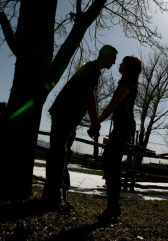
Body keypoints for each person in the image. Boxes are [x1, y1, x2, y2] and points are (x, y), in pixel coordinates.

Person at [43, 45, 118, 209]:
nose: (114, 62)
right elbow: (89, 95)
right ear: (105, 56)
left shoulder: (92, 69)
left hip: (69, 116)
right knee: (59, 153)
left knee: (63, 153)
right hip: (65, 113)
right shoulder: (92, 68)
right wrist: (94, 121)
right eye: (113, 58)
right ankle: (52, 197)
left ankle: (57, 194)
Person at [90, 55, 142, 223]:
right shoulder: (126, 82)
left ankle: (113, 207)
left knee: (111, 162)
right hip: (122, 126)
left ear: (128, 67)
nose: (119, 65)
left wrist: (97, 121)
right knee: (110, 162)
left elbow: (113, 104)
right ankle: (113, 206)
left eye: (123, 63)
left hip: (124, 126)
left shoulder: (127, 83)